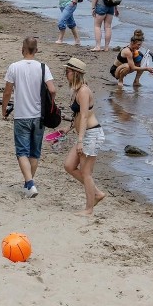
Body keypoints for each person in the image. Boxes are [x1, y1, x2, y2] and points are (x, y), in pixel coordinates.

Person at [2, 37, 56, 198]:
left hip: (21, 115)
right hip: (39, 115)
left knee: (22, 151)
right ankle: (29, 183)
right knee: (34, 152)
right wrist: (50, 103)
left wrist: (4, 109)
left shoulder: (14, 67)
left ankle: (30, 183)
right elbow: (52, 89)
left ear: (22, 49)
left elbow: (7, 91)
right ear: (36, 50)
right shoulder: (43, 67)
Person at [59, 58, 106, 216]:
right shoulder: (77, 90)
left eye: (68, 71)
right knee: (69, 166)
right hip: (84, 135)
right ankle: (97, 193)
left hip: (91, 135)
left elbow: (85, 116)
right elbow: (78, 115)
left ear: (76, 73)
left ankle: (89, 209)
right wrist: (68, 128)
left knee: (86, 173)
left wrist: (80, 141)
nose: (66, 74)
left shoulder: (84, 91)